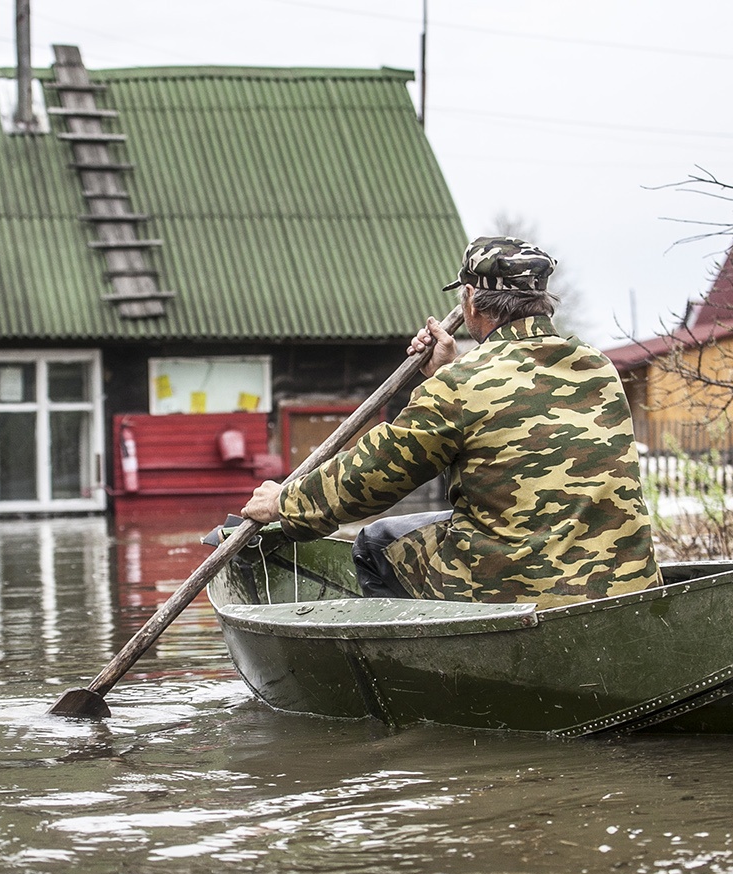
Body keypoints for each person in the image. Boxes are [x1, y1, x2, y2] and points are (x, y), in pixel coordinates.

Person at [241, 236, 661, 610]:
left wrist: (286, 502)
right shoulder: (597, 367)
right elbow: (513, 403)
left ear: (471, 300)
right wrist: (445, 372)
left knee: (375, 542)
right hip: (624, 587)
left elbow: (373, 475)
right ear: (541, 300)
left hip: (513, 589)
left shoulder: (463, 384)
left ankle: (412, 670)